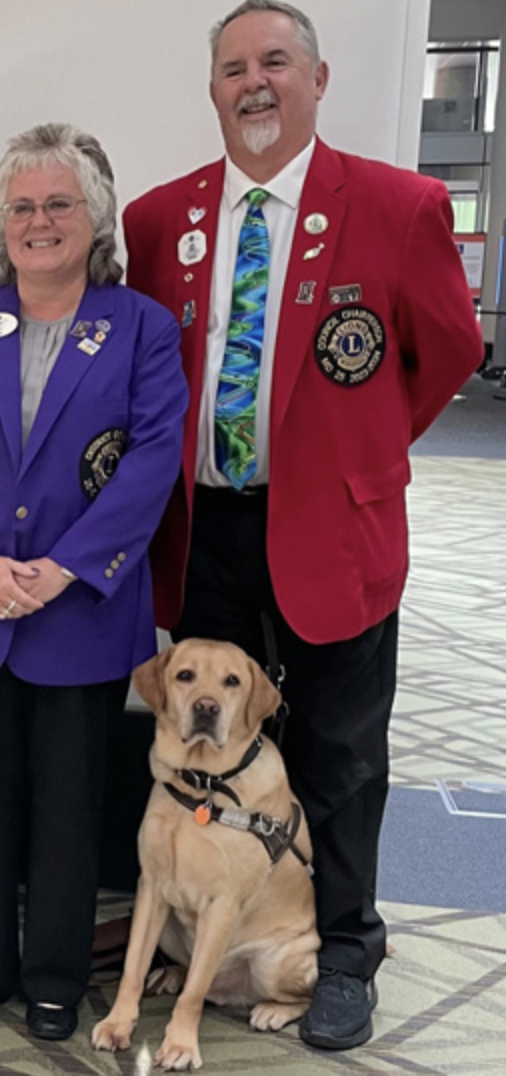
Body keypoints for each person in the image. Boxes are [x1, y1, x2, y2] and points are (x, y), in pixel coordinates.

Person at [123, 0, 482, 1051]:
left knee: (338, 751)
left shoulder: (397, 205)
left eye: (275, 61)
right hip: (206, 530)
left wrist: (354, 457)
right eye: (234, 67)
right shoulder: (159, 220)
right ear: (213, 90)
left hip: (331, 534)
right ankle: (204, 919)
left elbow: (447, 353)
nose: (255, 83)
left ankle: (347, 945)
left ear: (318, 80)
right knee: (207, 742)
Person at [0, 123, 186, 1037]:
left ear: (94, 217)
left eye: (59, 203)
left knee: (68, 805)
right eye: (21, 205)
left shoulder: (139, 325)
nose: (38, 221)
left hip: (82, 610)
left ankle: (57, 976)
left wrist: (65, 568)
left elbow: (152, 460)